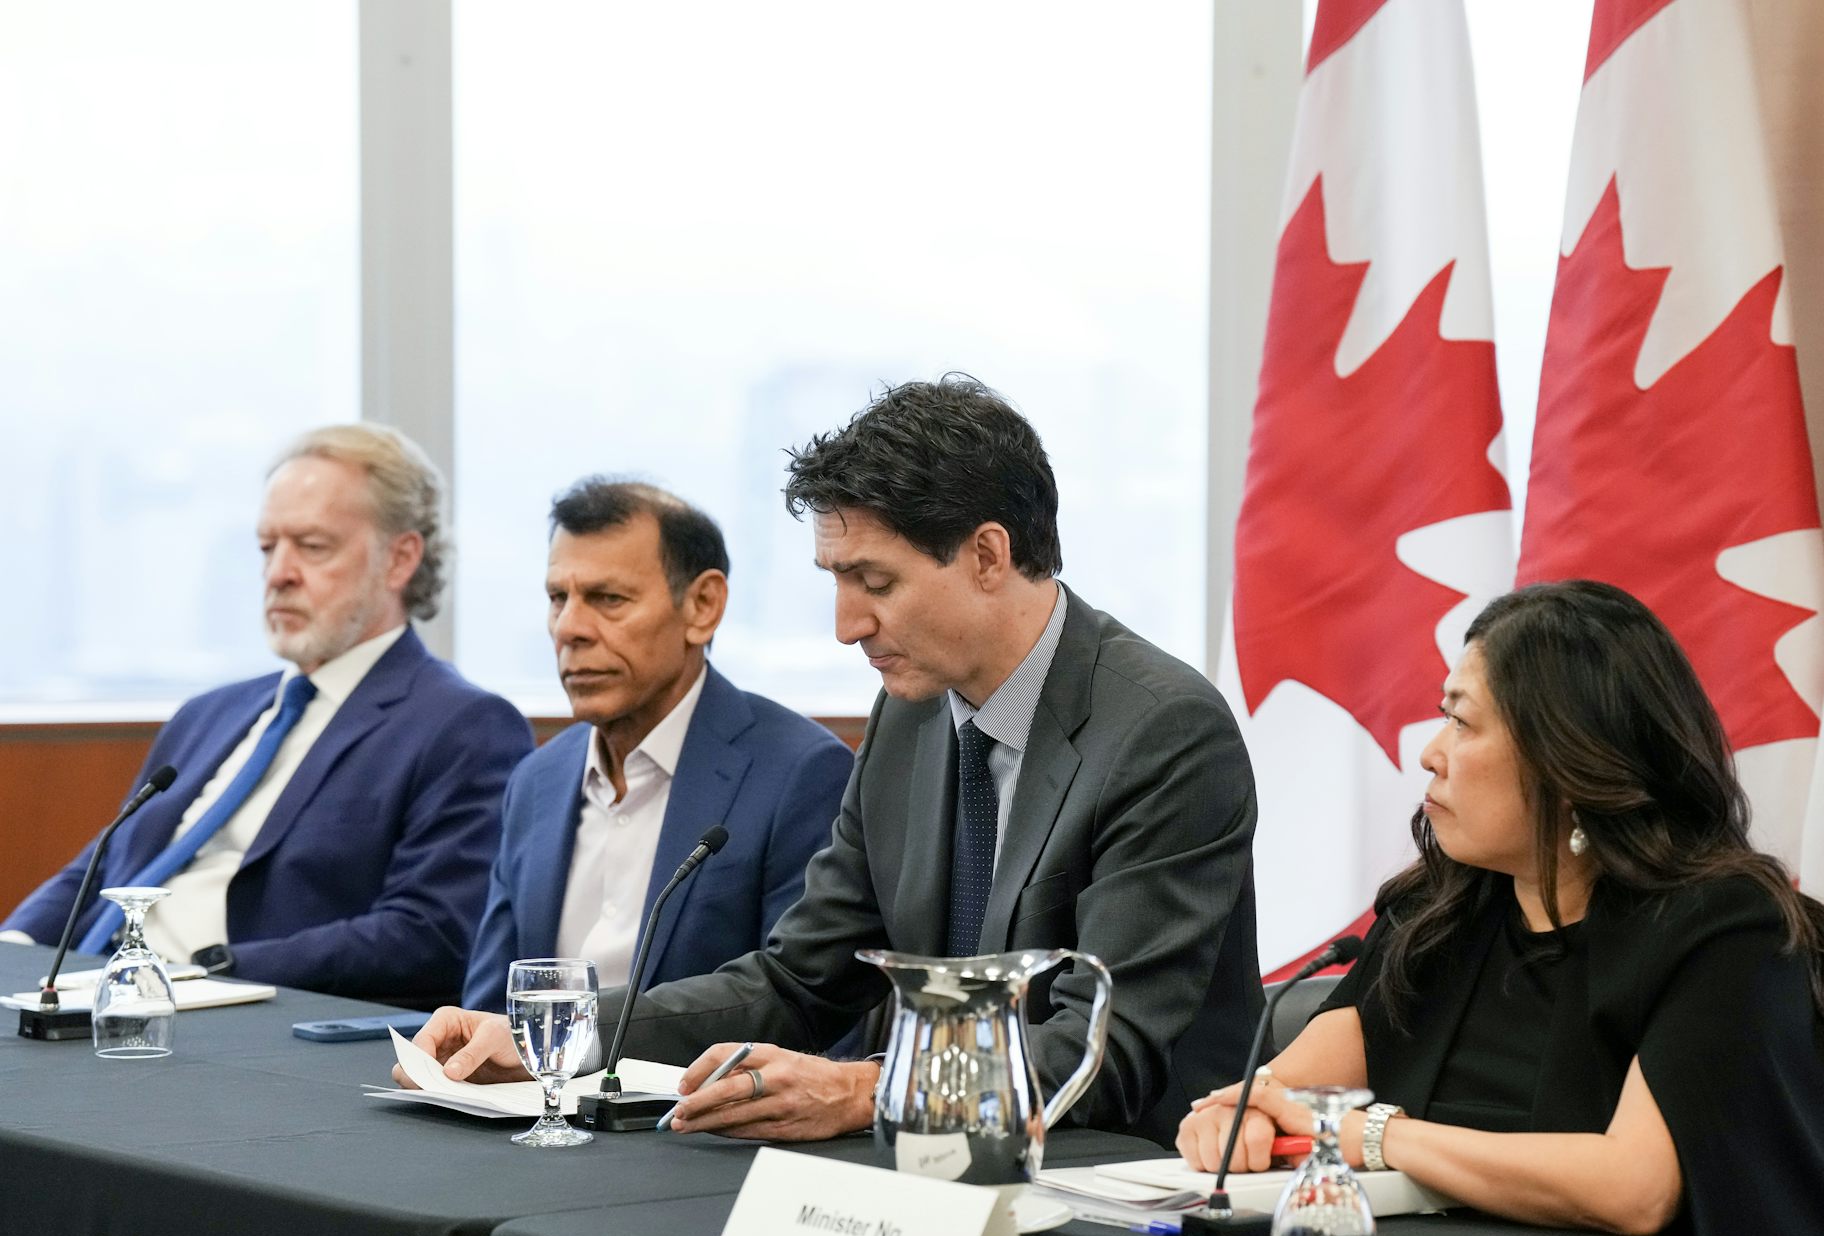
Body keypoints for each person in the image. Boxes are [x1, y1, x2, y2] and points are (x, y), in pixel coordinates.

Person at [399, 375, 1263, 1145]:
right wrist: (574, 1032)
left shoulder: (1163, 729)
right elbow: (798, 979)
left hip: (1122, 1178)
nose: (847, 625)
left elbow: (1100, 1052)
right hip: (933, 1164)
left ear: (989, 556)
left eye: (876, 583)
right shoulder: (910, 714)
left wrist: (864, 1087)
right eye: (834, 580)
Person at [1178, 580, 1824, 1236]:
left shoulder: (1725, 928)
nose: (1430, 752)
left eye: (1461, 722)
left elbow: (1632, 1190)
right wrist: (1232, 1121)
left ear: (1569, 757)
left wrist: (1374, 1135)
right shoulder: (1441, 915)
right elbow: (1278, 1093)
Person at [2, 424, 534, 1004]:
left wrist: (206, 973)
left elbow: (429, 934)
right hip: (101, 1001)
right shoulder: (207, 715)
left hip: (237, 1018)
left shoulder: (461, 725)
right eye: (266, 547)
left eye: (312, 546)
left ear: (400, 559)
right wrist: (14, 949)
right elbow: (100, 871)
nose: (278, 572)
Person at [460, 477, 852, 1011]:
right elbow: (488, 1012)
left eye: (608, 599)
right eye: (558, 598)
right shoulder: (538, 779)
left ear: (702, 606)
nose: (569, 628)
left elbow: (805, 1010)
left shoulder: (798, 773)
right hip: (531, 1092)